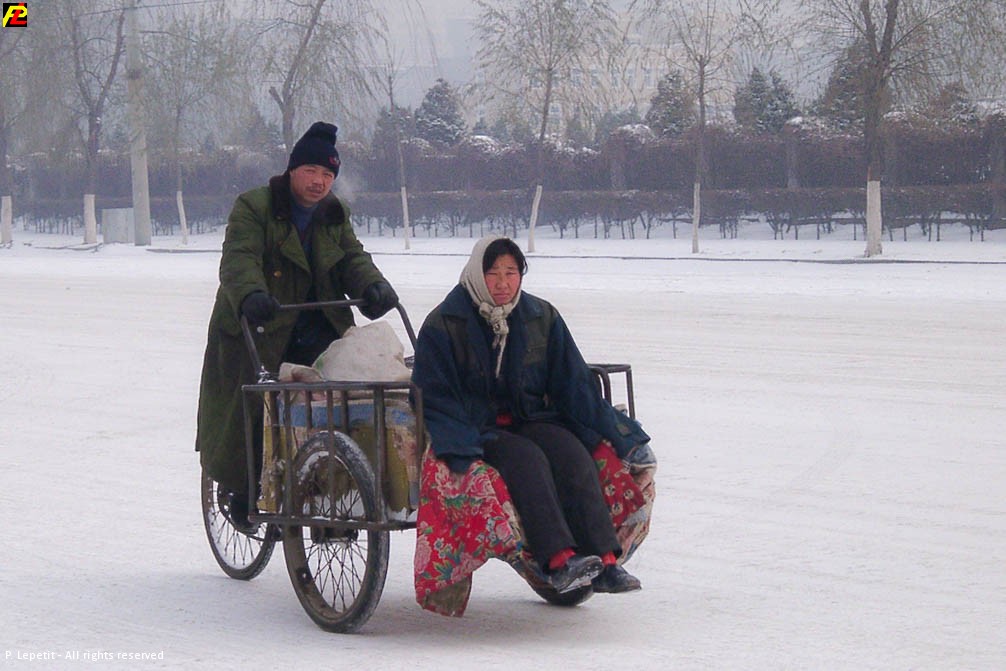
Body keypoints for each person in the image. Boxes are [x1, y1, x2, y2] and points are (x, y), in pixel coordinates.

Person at [410, 236, 651, 594]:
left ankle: (606, 562)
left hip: (531, 418)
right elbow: (435, 394)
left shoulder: (541, 316)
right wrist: (460, 447)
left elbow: (574, 383)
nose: (503, 283)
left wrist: (622, 434)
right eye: (493, 273)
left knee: (572, 454)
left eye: (511, 273)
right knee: (527, 459)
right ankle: (557, 560)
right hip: (479, 427)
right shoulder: (445, 323)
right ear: (477, 274)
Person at [196, 121, 399, 531]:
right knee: (257, 409)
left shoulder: (333, 215)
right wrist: (251, 294)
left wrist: (373, 286)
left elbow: (352, 258)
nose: (319, 181)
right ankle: (242, 487)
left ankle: (333, 483)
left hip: (317, 322)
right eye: (310, 171)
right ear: (292, 170)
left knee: (344, 394)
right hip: (261, 325)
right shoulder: (255, 207)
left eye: (327, 174)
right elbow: (239, 259)